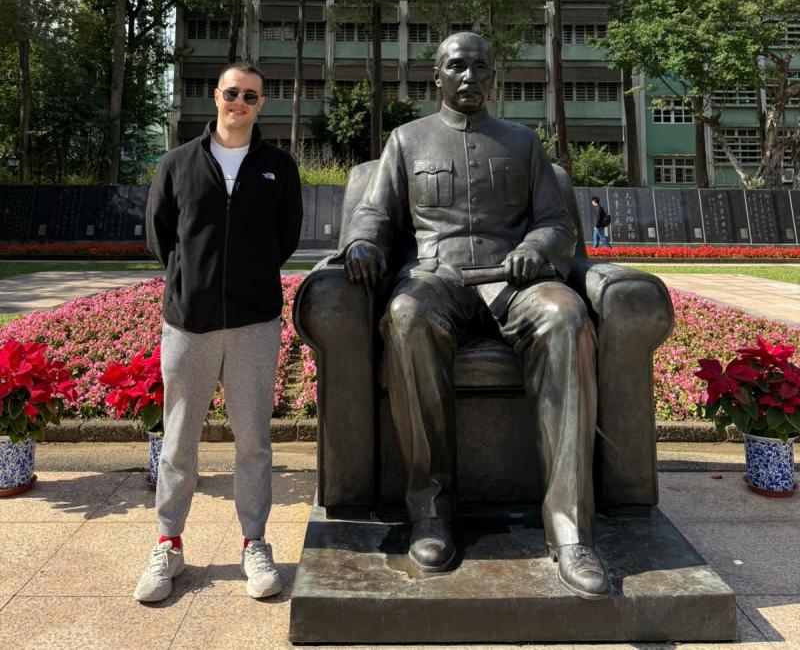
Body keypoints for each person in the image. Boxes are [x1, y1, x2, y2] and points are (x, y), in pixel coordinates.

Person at [344, 32, 609, 599]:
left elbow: (557, 224)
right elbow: (374, 215)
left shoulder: (523, 143)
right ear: (436, 76)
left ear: (496, 77)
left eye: (480, 68)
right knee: (406, 316)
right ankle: (432, 512)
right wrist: (362, 245)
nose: (469, 77)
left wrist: (538, 249)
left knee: (566, 317)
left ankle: (569, 530)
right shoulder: (407, 141)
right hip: (437, 279)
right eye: (457, 67)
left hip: (514, 284)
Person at [136, 61, 303, 604]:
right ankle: (168, 543)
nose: (239, 104)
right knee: (179, 441)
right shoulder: (177, 163)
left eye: (251, 97)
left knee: (253, 441)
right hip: (189, 323)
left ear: (261, 105)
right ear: (215, 97)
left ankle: (254, 542)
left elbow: (286, 238)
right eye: (232, 93)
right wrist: (192, 281)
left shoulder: (279, 166)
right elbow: (161, 236)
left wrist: (247, 280)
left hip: (254, 323)